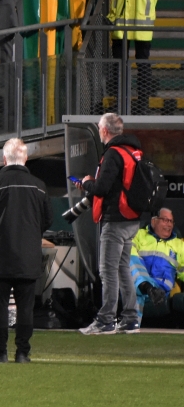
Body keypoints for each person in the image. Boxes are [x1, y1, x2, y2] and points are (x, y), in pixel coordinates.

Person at [0, 138, 52, 363]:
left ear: (4, 159)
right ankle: (23, 352)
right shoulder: (39, 186)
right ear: (25, 158)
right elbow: (47, 221)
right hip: (28, 256)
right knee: (26, 307)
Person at [77, 113, 143, 335]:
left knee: (108, 271)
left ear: (104, 130)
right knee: (123, 268)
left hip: (116, 220)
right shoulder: (132, 151)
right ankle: (131, 318)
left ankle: (106, 320)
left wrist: (86, 183)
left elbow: (102, 188)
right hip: (132, 218)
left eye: (99, 127)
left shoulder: (113, 154)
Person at [129, 208, 184, 326]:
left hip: (160, 291)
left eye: (171, 221)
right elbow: (129, 255)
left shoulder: (179, 245)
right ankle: (145, 286)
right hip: (135, 284)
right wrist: (145, 284)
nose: (169, 224)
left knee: (135, 292)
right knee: (129, 258)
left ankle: (132, 326)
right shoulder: (139, 235)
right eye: (165, 220)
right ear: (154, 221)